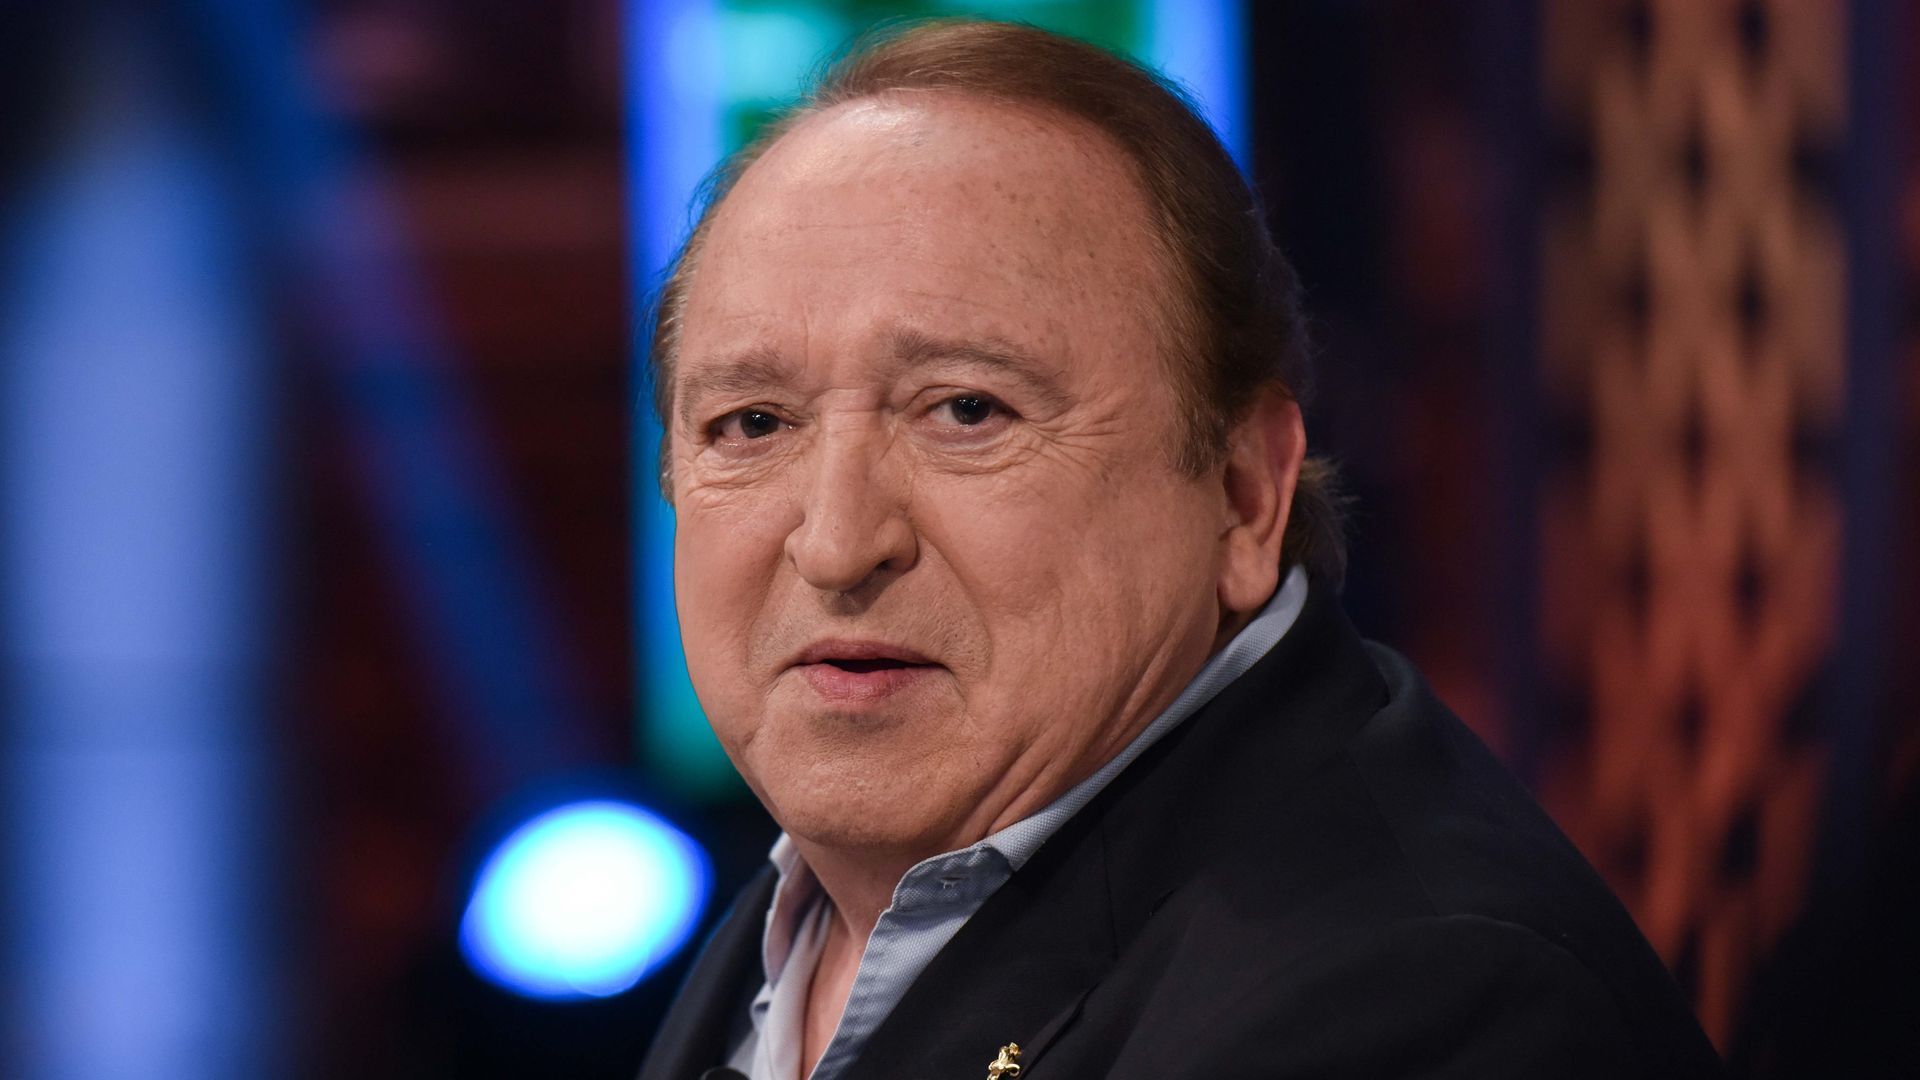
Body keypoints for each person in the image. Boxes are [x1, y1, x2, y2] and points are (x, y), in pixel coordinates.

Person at [637, 19, 1723, 1080]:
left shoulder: (1423, 1004)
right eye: (752, 423)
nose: (837, 545)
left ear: (1245, 494)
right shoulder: (837, 887)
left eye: (967, 410)